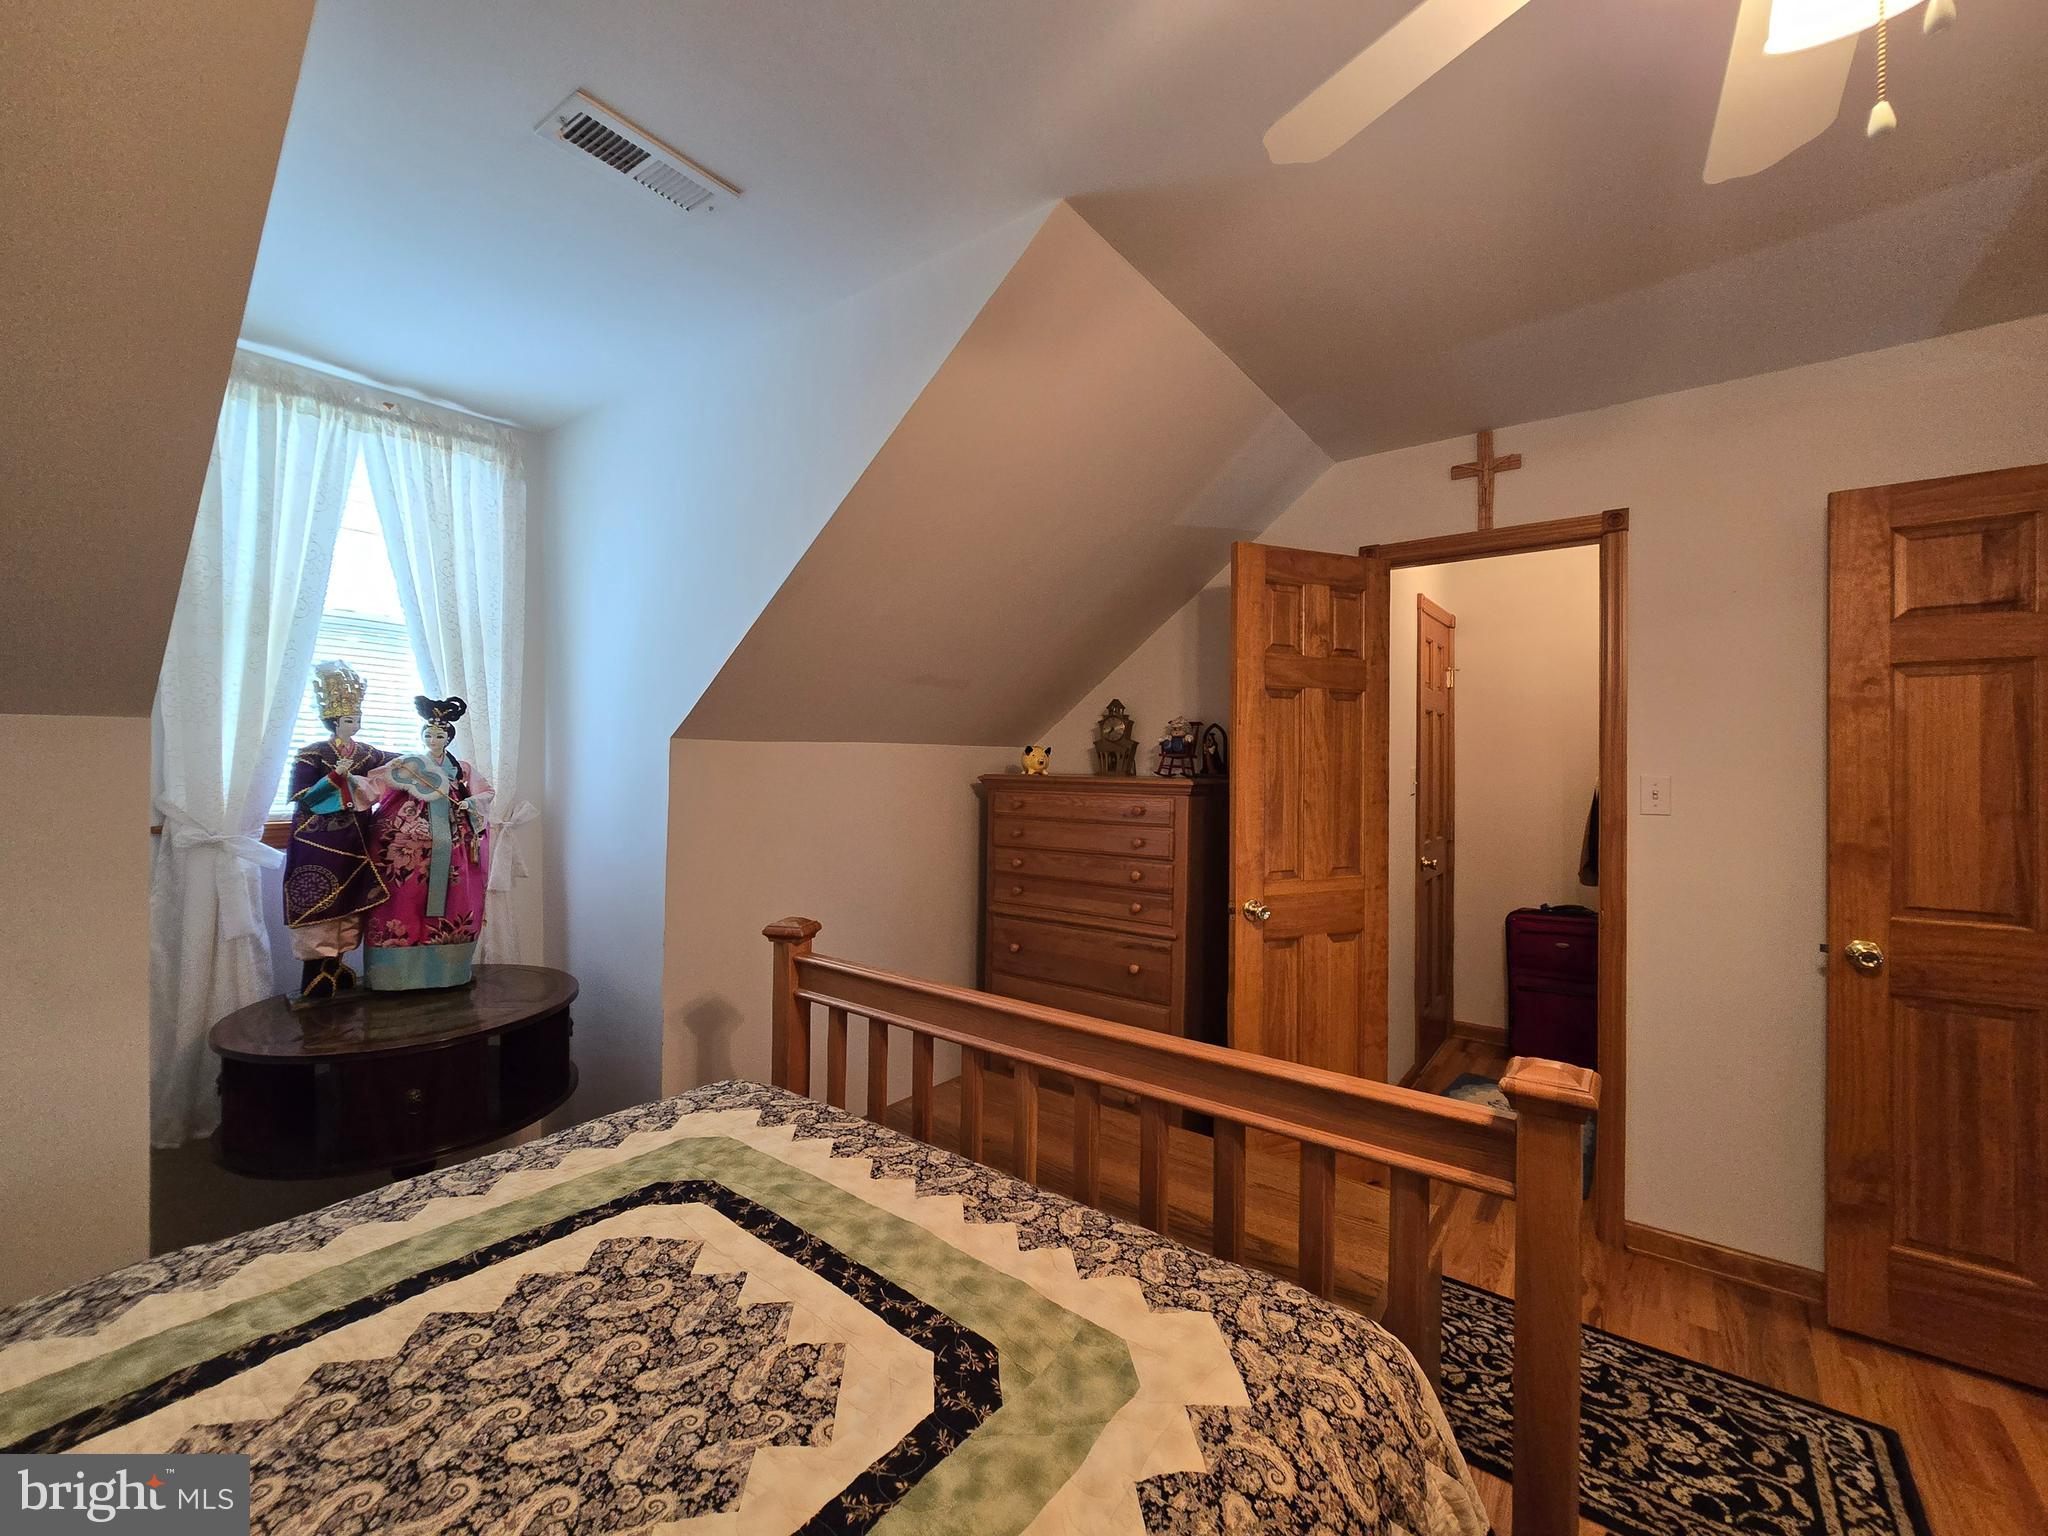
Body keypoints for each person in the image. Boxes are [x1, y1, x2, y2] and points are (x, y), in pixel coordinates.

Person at [361, 695, 493, 990]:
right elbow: (375, 783)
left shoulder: (463, 768)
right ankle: (391, 975)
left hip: (454, 838)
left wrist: (468, 803)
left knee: (456, 896)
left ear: (448, 738)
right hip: (410, 843)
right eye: (429, 734)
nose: (434, 739)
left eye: (440, 735)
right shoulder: (408, 765)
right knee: (403, 895)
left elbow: (485, 793)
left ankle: (449, 971)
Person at [282, 660, 392, 1001]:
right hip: (317, 843)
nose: (354, 726)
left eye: (357, 720)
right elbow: (301, 797)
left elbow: (399, 766)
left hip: (355, 842)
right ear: (333, 721)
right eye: (348, 720)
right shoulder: (311, 754)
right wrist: (335, 777)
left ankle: (337, 966)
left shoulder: (366, 753)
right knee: (320, 901)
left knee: (351, 901)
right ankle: (315, 974)